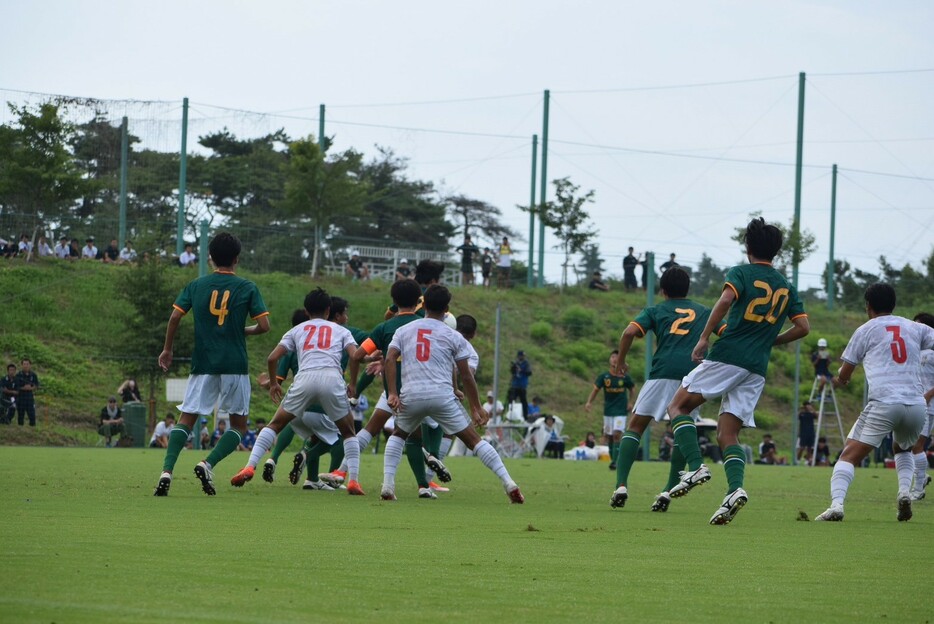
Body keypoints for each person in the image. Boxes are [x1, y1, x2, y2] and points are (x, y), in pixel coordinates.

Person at [664, 217, 809, 525]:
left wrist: (703, 337)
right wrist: (773, 340)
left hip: (728, 355)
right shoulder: (786, 285)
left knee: (677, 406)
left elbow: (726, 300)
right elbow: (803, 327)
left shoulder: (741, 272)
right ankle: (734, 490)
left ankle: (695, 466)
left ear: (748, 247)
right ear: (777, 251)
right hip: (756, 368)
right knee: (727, 433)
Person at [380, 284, 524, 503]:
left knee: (399, 435)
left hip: (412, 395)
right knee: (474, 441)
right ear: (447, 309)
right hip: (442, 396)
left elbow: (389, 359)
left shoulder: (404, 330)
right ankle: (509, 482)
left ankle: (388, 485)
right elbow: (466, 375)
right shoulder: (453, 336)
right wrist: (476, 407)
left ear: (424, 304)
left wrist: (392, 392)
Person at [153, 231, 270, 497]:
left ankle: (166, 471)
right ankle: (207, 463)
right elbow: (264, 326)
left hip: (203, 363)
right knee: (239, 426)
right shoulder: (247, 287)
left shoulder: (196, 285)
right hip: (235, 365)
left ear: (210, 257)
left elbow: (174, 318)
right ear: (236, 259)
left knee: (187, 418)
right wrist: (242, 330)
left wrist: (167, 349)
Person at [608, 266, 725, 511]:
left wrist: (620, 361)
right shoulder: (704, 311)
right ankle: (667, 491)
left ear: (662, 291)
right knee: (682, 429)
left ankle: (621, 485)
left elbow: (629, 332)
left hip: (661, 374)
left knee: (636, 426)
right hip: (692, 377)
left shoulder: (656, 309)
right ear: (688, 289)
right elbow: (726, 333)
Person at [816, 285, 934, 522]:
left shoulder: (865, 330)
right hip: (916, 404)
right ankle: (904, 493)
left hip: (885, 402)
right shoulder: (915, 327)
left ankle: (836, 505)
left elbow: (847, 369)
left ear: (867, 305)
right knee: (903, 448)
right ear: (894, 304)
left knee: (848, 455)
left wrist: (842, 379)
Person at [230, 287, 365, 495]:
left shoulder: (297, 330)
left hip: (305, 378)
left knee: (275, 425)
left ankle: (250, 466)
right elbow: (355, 356)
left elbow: (272, 358)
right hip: (332, 378)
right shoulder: (341, 331)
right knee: (348, 432)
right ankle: (354, 481)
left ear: (306, 310)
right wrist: (354, 384)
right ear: (328, 310)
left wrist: (274, 383)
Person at [584, 350, 635, 471]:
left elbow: (632, 388)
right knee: (609, 436)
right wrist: (589, 402)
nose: (614, 359)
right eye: (612, 357)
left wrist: (630, 402)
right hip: (608, 410)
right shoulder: (604, 376)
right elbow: (596, 390)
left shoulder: (624, 377)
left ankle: (615, 461)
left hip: (621, 410)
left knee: (617, 434)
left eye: (617, 357)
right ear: (609, 360)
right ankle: (613, 461)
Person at [909, 313, 934, 500]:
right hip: (913, 402)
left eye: (918, 324)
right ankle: (921, 477)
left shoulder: (932, 351)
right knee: (908, 444)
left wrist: (928, 395)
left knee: (917, 444)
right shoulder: (914, 350)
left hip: (928, 405)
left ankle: (918, 489)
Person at [14, 357, 39, 427]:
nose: (26, 366)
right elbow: (16, 387)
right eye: (24, 364)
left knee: (32, 415)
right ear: (22, 365)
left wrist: (31, 388)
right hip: (21, 398)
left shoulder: (33, 375)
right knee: (20, 416)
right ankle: (20, 429)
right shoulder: (18, 375)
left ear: (30, 365)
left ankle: (32, 428)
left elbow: (36, 385)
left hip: (30, 398)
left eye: (27, 364)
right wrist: (24, 388)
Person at [507, 350, 532, 420]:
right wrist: (514, 368)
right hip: (515, 385)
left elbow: (529, 372)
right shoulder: (516, 363)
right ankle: (509, 416)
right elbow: (512, 372)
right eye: (521, 356)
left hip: (522, 386)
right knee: (511, 400)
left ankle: (525, 417)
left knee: (523, 401)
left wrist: (521, 370)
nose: (522, 357)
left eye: (523, 356)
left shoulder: (526, 363)